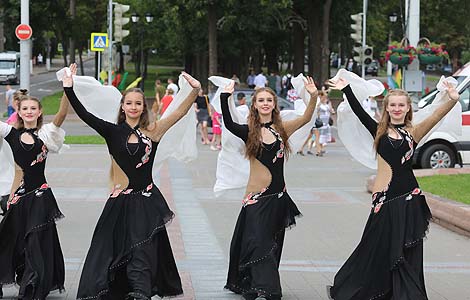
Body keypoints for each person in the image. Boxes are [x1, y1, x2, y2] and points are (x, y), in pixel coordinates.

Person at [62, 64, 201, 300]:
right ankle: (120, 287)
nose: (133, 107)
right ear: (122, 107)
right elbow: (84, 114)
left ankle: (141, 290)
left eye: (138, 103)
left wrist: (195, 90)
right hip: (121, 202)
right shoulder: (112, 131)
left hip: (147, 201)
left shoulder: (153, 131)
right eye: (129, 103)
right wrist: (68, 87)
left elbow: (178, 114)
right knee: (112, 248)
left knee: (143, 247)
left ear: (143, 107)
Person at [327, 76, 460, 300]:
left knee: (408, 251)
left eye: (401, 105)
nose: (397, 109)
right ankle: (367, 289)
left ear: (407, 108)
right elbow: (359, 112)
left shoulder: (414, 133)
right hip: (383, 201)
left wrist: (453, 100)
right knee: (373, 247)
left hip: (410, 198)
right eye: (393, 105)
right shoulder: (378, 131)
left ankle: (406, 295)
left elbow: (437, 115)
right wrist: (346, 89)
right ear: (386, 108)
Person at [222, 77, 318, 300]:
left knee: (272, 242)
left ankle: (260, 285)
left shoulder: (283, 128)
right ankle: (261, 285)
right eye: (261, 100)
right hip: (256, 198)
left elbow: (305, 118)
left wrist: (313, 96)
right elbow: (227, 123)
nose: (265, 103)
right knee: (256, 241)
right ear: (254, 105)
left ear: (275, 104)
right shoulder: (248, 131)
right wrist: (226, 96)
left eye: (269, 100)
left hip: (278, 197)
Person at [0, 90, 69, 299]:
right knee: (8, 240)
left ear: (39, 112)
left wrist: (68, 88)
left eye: (33, 108)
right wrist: (11, 196)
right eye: (25, 109)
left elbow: (62, 114)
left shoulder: (46, 134)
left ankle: (31, 285)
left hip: (41, 196)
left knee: (36, 242)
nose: (29, 111)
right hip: (19, 197)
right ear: (18, 112)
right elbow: (19, 171)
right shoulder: (10, 134)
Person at [315, 91, 335, 156]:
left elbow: (331, 111)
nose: (325, 98)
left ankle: (320, 149)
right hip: (321, 122)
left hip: (326, 122)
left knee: (324, 137)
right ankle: (319, 150)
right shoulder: (319, 104)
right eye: (323, 97)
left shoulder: (327, 105)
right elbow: (317, 111)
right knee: (320, 136)